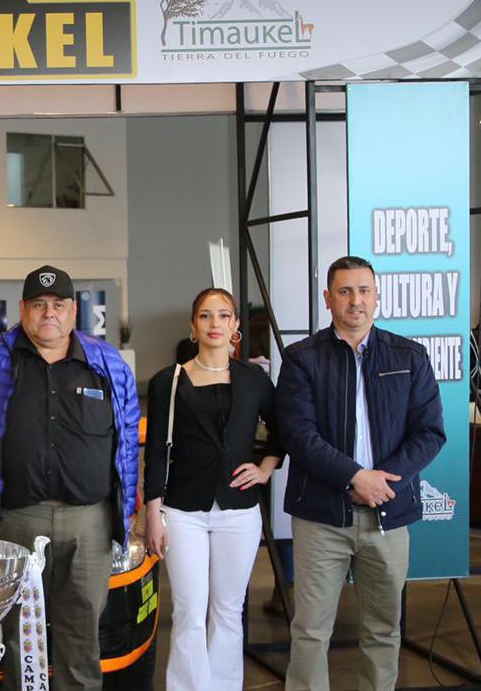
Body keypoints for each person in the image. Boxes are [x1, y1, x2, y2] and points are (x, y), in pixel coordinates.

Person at [0, 264, 140, 691]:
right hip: (16, 520)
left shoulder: (107, 363)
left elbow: (127, 437)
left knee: (82, 635)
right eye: (39, 304)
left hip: (89, 524)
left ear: (73, 311)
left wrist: (125, 513)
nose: (48, 313)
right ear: (22, 309)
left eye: (58, 304)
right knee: (19, 635)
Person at [278, 256, 446, 691]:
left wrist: (382, 481)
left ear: (377, 296)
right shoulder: (301, 358)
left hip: (388, 515)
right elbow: (298, 434)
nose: (356, 300)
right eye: (345, 291)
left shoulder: (409, 355)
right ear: (328, 298)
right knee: (310, 630)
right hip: (321, 517)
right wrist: (356, 477)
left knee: (384, 630)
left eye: (364, 290)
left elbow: (430, 432)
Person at [144, 287, 281, 690]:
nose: (215, 323)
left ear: (235, 324)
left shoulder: (254, 380)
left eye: (223, 315)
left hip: (239, 510)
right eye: (206, 315)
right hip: (182, 510)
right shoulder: (168, 381)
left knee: (228, 611)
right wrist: (152, 512)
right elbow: (155, 451)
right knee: (189, 612)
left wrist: (265, 468)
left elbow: (283, 430)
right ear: (193, 325)